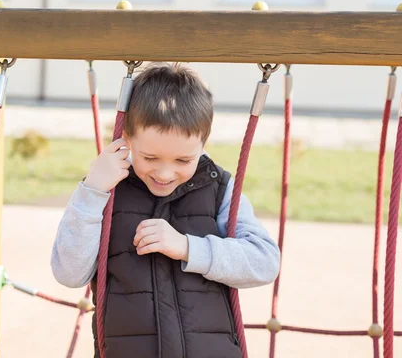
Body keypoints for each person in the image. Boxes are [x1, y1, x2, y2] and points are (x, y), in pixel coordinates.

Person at [50, 62, 281, 358]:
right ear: (128, 139)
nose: (165, 172)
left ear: (202, 144)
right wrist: (93, 190)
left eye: (183, 161)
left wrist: (189, 248)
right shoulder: (104, 189)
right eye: (150, 157)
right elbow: (69, 273)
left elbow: (265, 261)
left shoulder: (218, 187)